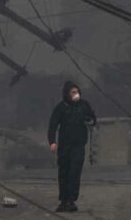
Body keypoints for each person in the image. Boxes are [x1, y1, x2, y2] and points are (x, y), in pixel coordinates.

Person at [47, 80, 96, 213]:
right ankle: (64, 200)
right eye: (73, 92)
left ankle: (71, 200)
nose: (76, 94)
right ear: (67, 94)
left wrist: (90, 120)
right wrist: (52, 141)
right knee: (64, 173)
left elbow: (92, 118)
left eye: (77, 91)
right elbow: (53, 125)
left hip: (79, 146)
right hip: (64, 146)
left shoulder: (84, 105)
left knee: (74, 172)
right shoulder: (61, 107)